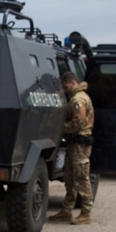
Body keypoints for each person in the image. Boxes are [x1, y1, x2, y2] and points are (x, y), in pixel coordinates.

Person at [50, 72, 96, 224]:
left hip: (79, 144)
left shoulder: (79, 99)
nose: (65, 90)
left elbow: (78, 122)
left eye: (65, 86)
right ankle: (67, 210)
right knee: (69, 177)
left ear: (73, 83)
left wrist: (60, 128)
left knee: (81, 178)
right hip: (73, 143)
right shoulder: (76, 98)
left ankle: (86, 213)